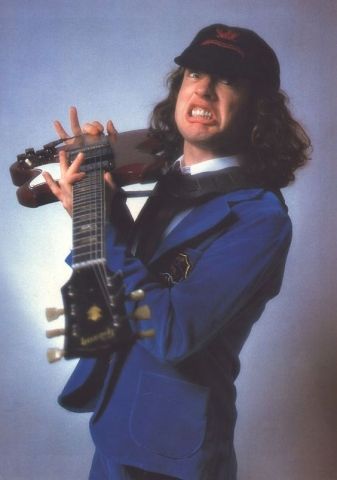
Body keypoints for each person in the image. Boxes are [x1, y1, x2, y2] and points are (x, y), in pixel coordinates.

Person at [43, 24, 311, 480]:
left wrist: (98, 220)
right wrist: (96, 216)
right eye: (194, 74)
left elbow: (170, 336)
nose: (204, 90)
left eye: (227, 80)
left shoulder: (261, 220)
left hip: (170, 458)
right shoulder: (172, 181)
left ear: (257, 109)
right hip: (112, 434)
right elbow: (104, 321)